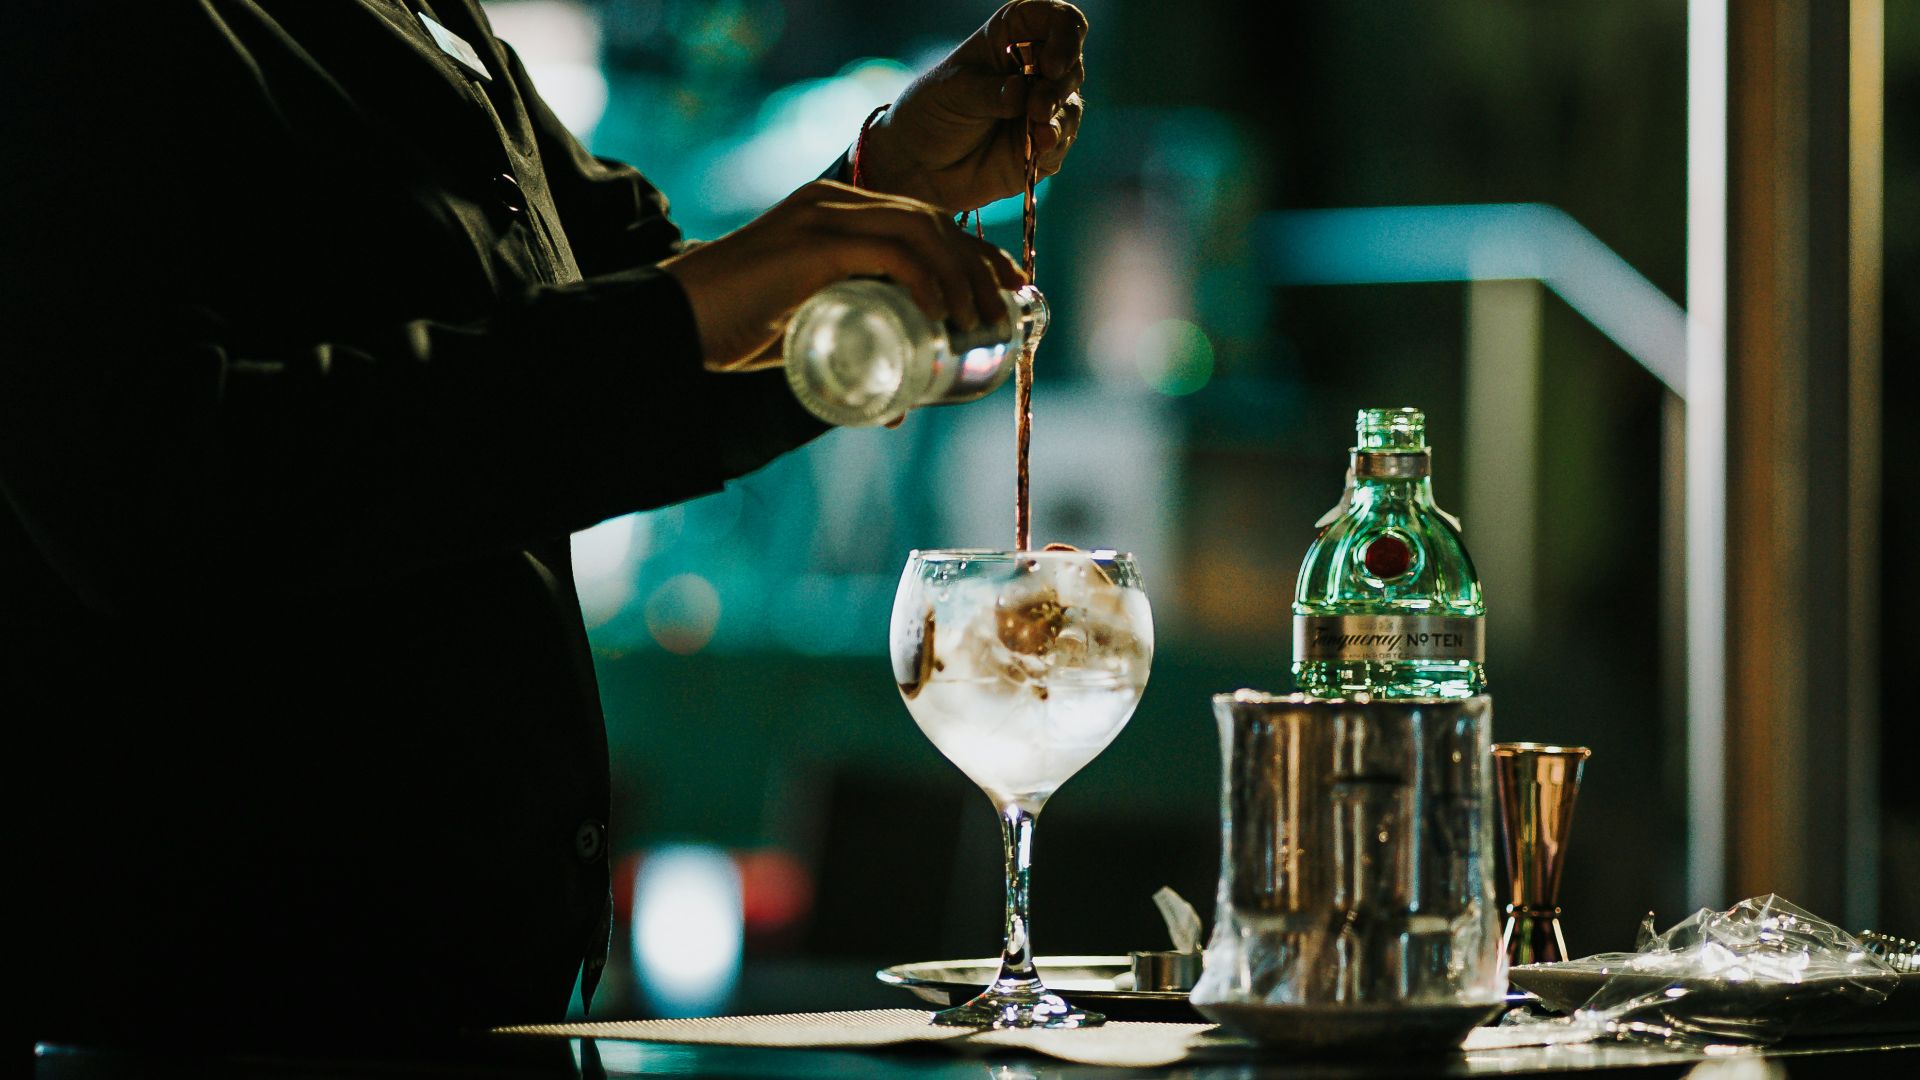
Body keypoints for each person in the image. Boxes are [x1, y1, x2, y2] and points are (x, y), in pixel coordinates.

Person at [3, 0, 1086, 1046]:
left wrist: (884, 191)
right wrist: (694, 310)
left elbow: (620, 326)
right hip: (206, 1000)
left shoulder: (427, 16)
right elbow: (148, 487)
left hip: (463, 993)